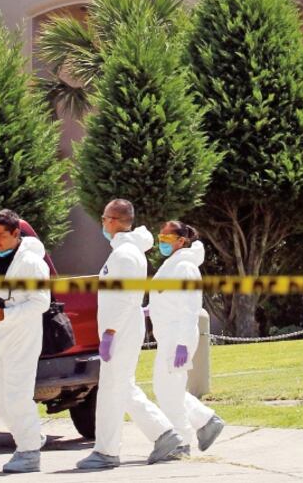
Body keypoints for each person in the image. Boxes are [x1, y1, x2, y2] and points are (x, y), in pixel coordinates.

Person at [77, 199, 185, 470]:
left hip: (121, 328)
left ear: (113, 220)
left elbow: (124, 298)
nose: (102, 223)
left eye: (104, 218)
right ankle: (164, 436)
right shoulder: (125, 252)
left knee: (115, 388)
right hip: (123, 327)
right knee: (120, 386)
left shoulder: (124, 255)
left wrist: (110, 333)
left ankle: (109, 450)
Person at [0, 209, 51, 474]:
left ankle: (29, 452)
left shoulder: (32, 263)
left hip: (22, 336)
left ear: (16, 234)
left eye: (0, 234)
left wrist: (7, 315)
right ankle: (30, 435)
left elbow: (41, 302)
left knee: (16, 393)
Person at [147, 220, 226, 454]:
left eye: (167, 238)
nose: (162, 242)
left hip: (177, 337)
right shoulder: (172, 264)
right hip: (169, 336)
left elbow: (190, 307)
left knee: (166, 390)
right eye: (160, 237)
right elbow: (166, 298)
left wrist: (182, 343)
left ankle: (182, 441)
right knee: (167, 388)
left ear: (181, 241)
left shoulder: (185, 267)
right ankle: (205, 421)